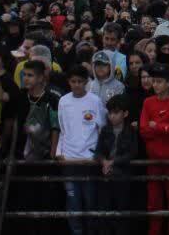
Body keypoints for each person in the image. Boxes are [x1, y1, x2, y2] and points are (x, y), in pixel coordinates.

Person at [57, 64, 106, 235]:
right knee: (73, 203)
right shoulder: (63, 101)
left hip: (89, 161)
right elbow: (62, 130)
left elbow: (101, 130)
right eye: (73, 81)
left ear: (86, 82)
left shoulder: (95, 101)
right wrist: (59, 153)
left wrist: (98, 155)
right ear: (68, 82)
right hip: (69, 161)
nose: (76, 84)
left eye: (80, 81)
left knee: (91, 202)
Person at [140, 63, 169, 235]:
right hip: (154, 161)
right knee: (154, 204)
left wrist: (156, 126)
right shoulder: (148, 102)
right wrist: (166, 126)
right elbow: (144, 131)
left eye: (159, 81)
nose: (155, 85)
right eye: (154, 81)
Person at [95, 94, 139, 235]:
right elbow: (98, 152)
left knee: (122, 212)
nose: (111, 116)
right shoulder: (105, 130)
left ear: (125, 113)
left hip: (122, 178)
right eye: (110, 113)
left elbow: (132, 153)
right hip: (106, 177)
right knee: (105, 213)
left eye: (115, 113)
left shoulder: (131, 131)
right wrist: (103, 161)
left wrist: (112, 162)